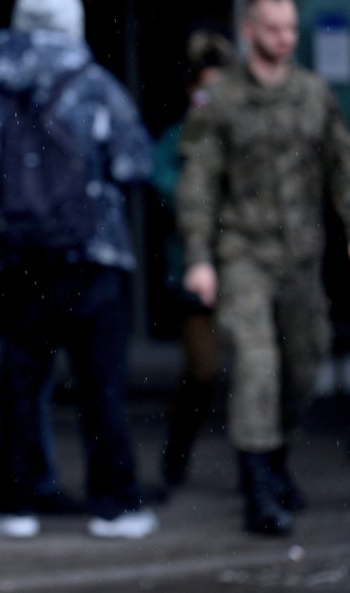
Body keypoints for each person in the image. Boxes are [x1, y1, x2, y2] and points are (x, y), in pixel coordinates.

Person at [0, 0, 158, 539]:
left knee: (21, 384)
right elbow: (135, 163)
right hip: (92, 257)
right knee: (101, 385)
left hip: (15, 259)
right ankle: (114, 505)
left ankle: (16, 506)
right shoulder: (97, 85)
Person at [177, 0, 350, 536]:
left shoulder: (312, 95)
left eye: (291, 28)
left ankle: (276, 463)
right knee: (256, 365)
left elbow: (342, 168)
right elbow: (198, 182)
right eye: (273, 28)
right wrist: (200, 258)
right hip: (243, 255)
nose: (284, 38)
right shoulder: (219, 99)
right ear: (250, 31)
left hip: (301, 256)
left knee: (303, 364)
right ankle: (258, 491)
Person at [152, 30, 235, 488]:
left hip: (246, 267)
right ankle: (177, 452)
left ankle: (261, 471)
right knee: (203, 369)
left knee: (259, 371)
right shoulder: (180, 137)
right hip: (194, 269)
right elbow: (159, 177)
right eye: (206, 88)